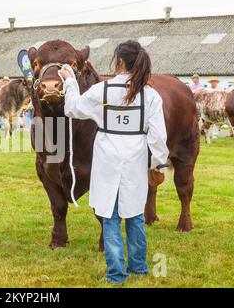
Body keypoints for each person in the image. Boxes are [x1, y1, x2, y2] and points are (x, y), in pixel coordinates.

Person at [61, 40, 169, 285]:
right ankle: (139, 267)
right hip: (136, 157)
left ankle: (116, 274)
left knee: (110, 217)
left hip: (108, 157)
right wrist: (158, 164)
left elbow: (72, 108)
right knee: (135, 215)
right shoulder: (150, 95)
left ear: (119, 61)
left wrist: (69, 81)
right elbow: (159, 137)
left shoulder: (103, 89)